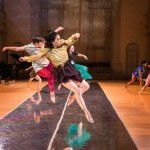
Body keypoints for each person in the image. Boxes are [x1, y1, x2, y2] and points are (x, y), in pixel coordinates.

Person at [20, 31, 94, 123]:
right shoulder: (47, 51)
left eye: (59, 39)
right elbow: (36, 56)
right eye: (58, 39)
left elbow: (71, 39)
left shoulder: (63, 44)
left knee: (86, 86)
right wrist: (25, 58)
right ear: (52, 42)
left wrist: (76, 35)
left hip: (70, 69)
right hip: (61, 72)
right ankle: (86, 112)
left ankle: (73, 98)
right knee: (77, 90)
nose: (60, 40)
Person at [2, 27, 64, 103]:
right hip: (38, 67)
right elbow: (17, 48)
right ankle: (52, 93)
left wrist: (57, 30)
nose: (43, 44)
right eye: (41, 43)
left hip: (46, 63)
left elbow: (49, 37)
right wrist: (7, 47)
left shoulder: (42, 43)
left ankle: (60, 81)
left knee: (59, 67)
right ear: (36, 43)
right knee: (50, 76)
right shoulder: (28, 47)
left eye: (43, 42)